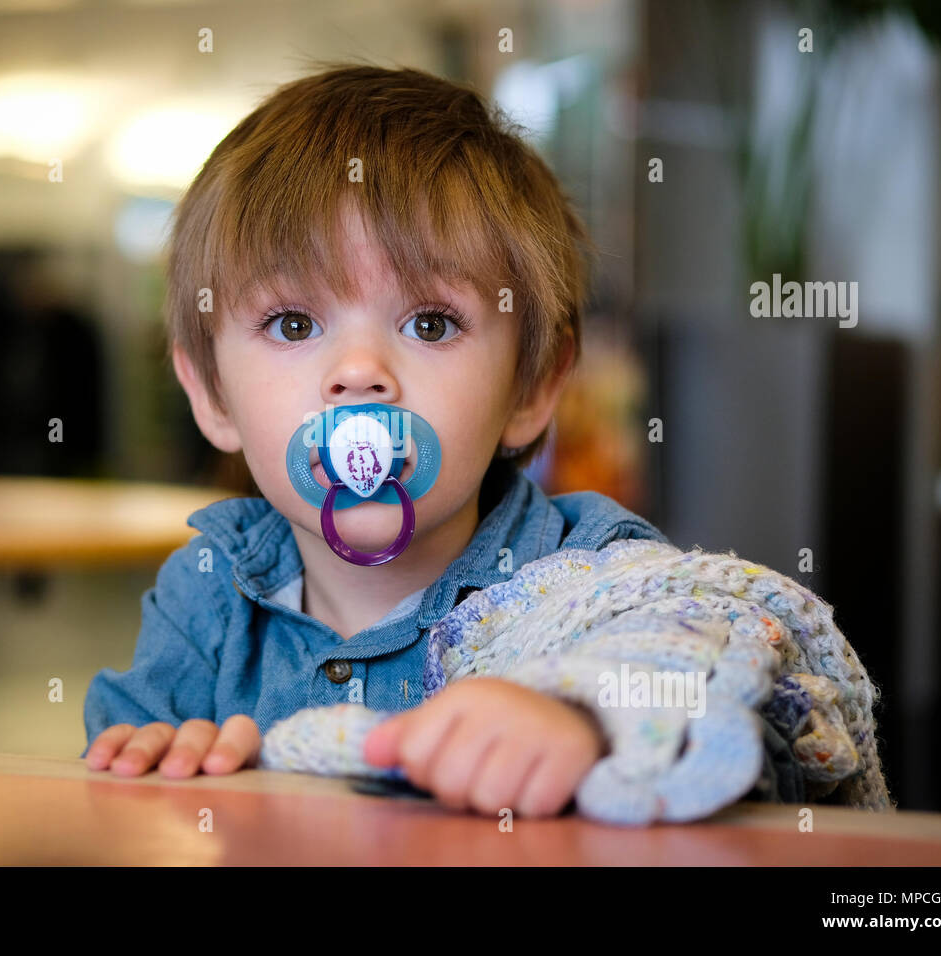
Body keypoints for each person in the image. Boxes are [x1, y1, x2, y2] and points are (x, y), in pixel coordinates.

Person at [81, 64, 807, 819]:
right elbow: (110, 791)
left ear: (531, 387)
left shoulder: (586, 572)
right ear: (209, 392)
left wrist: (583, 714)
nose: (359, 373)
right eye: (293, 324)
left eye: (430, 323)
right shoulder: (207, 593)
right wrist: (164, 765)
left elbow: (710, 649)